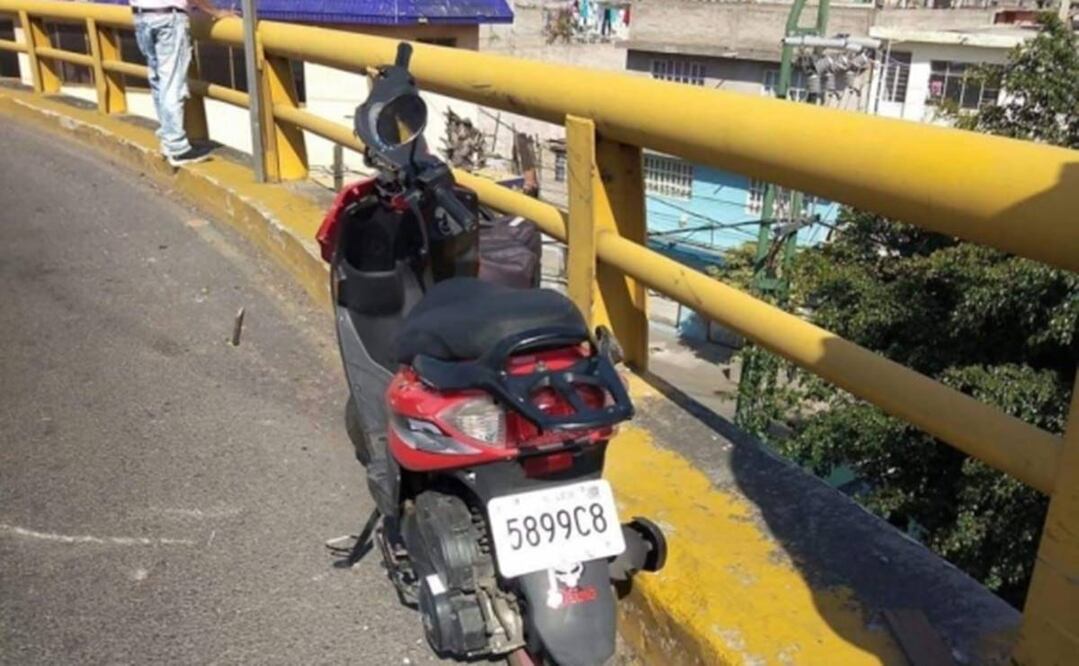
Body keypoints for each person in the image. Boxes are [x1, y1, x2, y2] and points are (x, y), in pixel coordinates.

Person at [131, 0, 234, 166]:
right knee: (171, 83)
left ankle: (168, 138)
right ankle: (177, 148)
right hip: (168, 19)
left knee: (158, 79)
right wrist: (216, 12)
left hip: (141, 16)